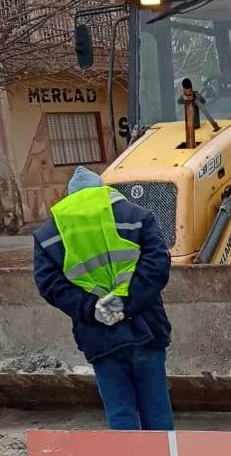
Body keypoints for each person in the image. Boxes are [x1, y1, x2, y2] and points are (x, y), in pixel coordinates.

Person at [33, 166, 174, 431]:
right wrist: (124, 302)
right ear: (103, 189)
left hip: (99, 337)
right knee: (157, 413)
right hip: (146, 327)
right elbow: (157, 265)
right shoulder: (137, 215)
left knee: (120, 416)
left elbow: (49, 284)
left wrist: (94, 309)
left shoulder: (49, 234)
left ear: (70, 196)